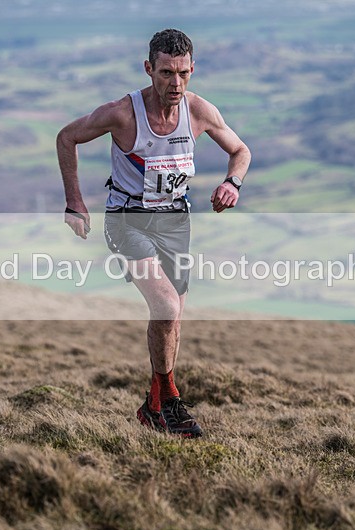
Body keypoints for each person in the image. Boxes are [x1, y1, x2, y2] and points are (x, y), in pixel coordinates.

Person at [56, 29, 250, 438]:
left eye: (182, 73)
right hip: (128, 219)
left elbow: (240, 150)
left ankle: (154, 407)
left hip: (175, 222)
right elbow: (67, 136)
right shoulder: (123, 113)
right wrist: (75, 201)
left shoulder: (198, 111)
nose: (175, 84)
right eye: (165, 73)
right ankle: (171, 400)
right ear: (149, 69)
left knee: (172, 318)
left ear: (192, 70)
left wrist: (232, 183)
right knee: (166, 307)